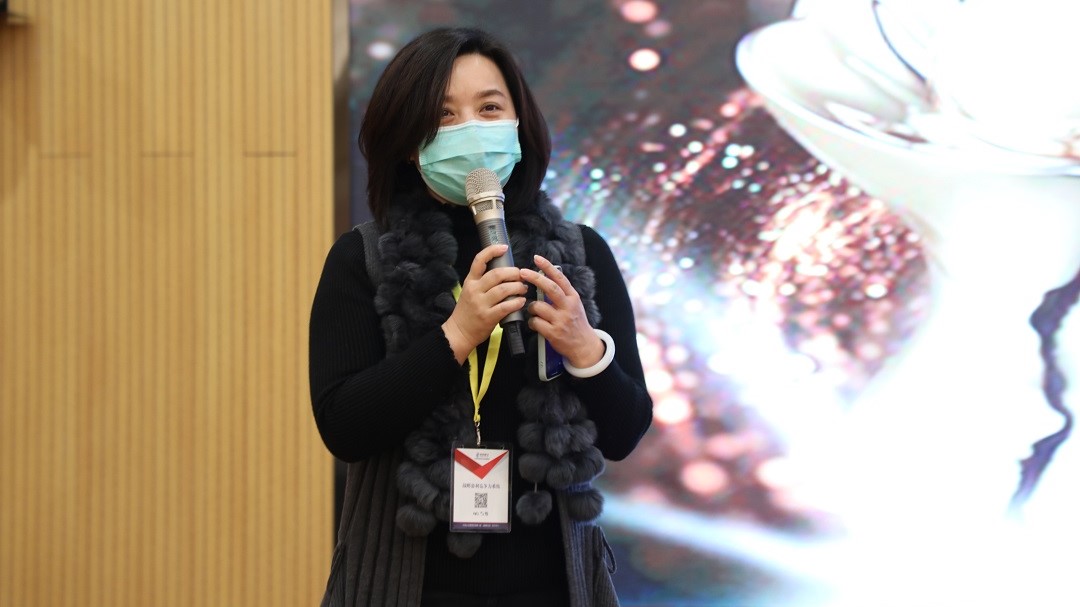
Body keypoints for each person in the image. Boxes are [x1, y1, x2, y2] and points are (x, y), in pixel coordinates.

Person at [309, 26, 653, 607]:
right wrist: (455, 335)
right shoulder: (363, 258)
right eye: (442, 116)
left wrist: (585, 351)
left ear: (518, 122)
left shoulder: (579, 254)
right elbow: (344, 428)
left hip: (554, 585)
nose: (470, 128)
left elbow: (625, 434)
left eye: (489, 108)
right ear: (407, 140)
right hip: (408, 585)